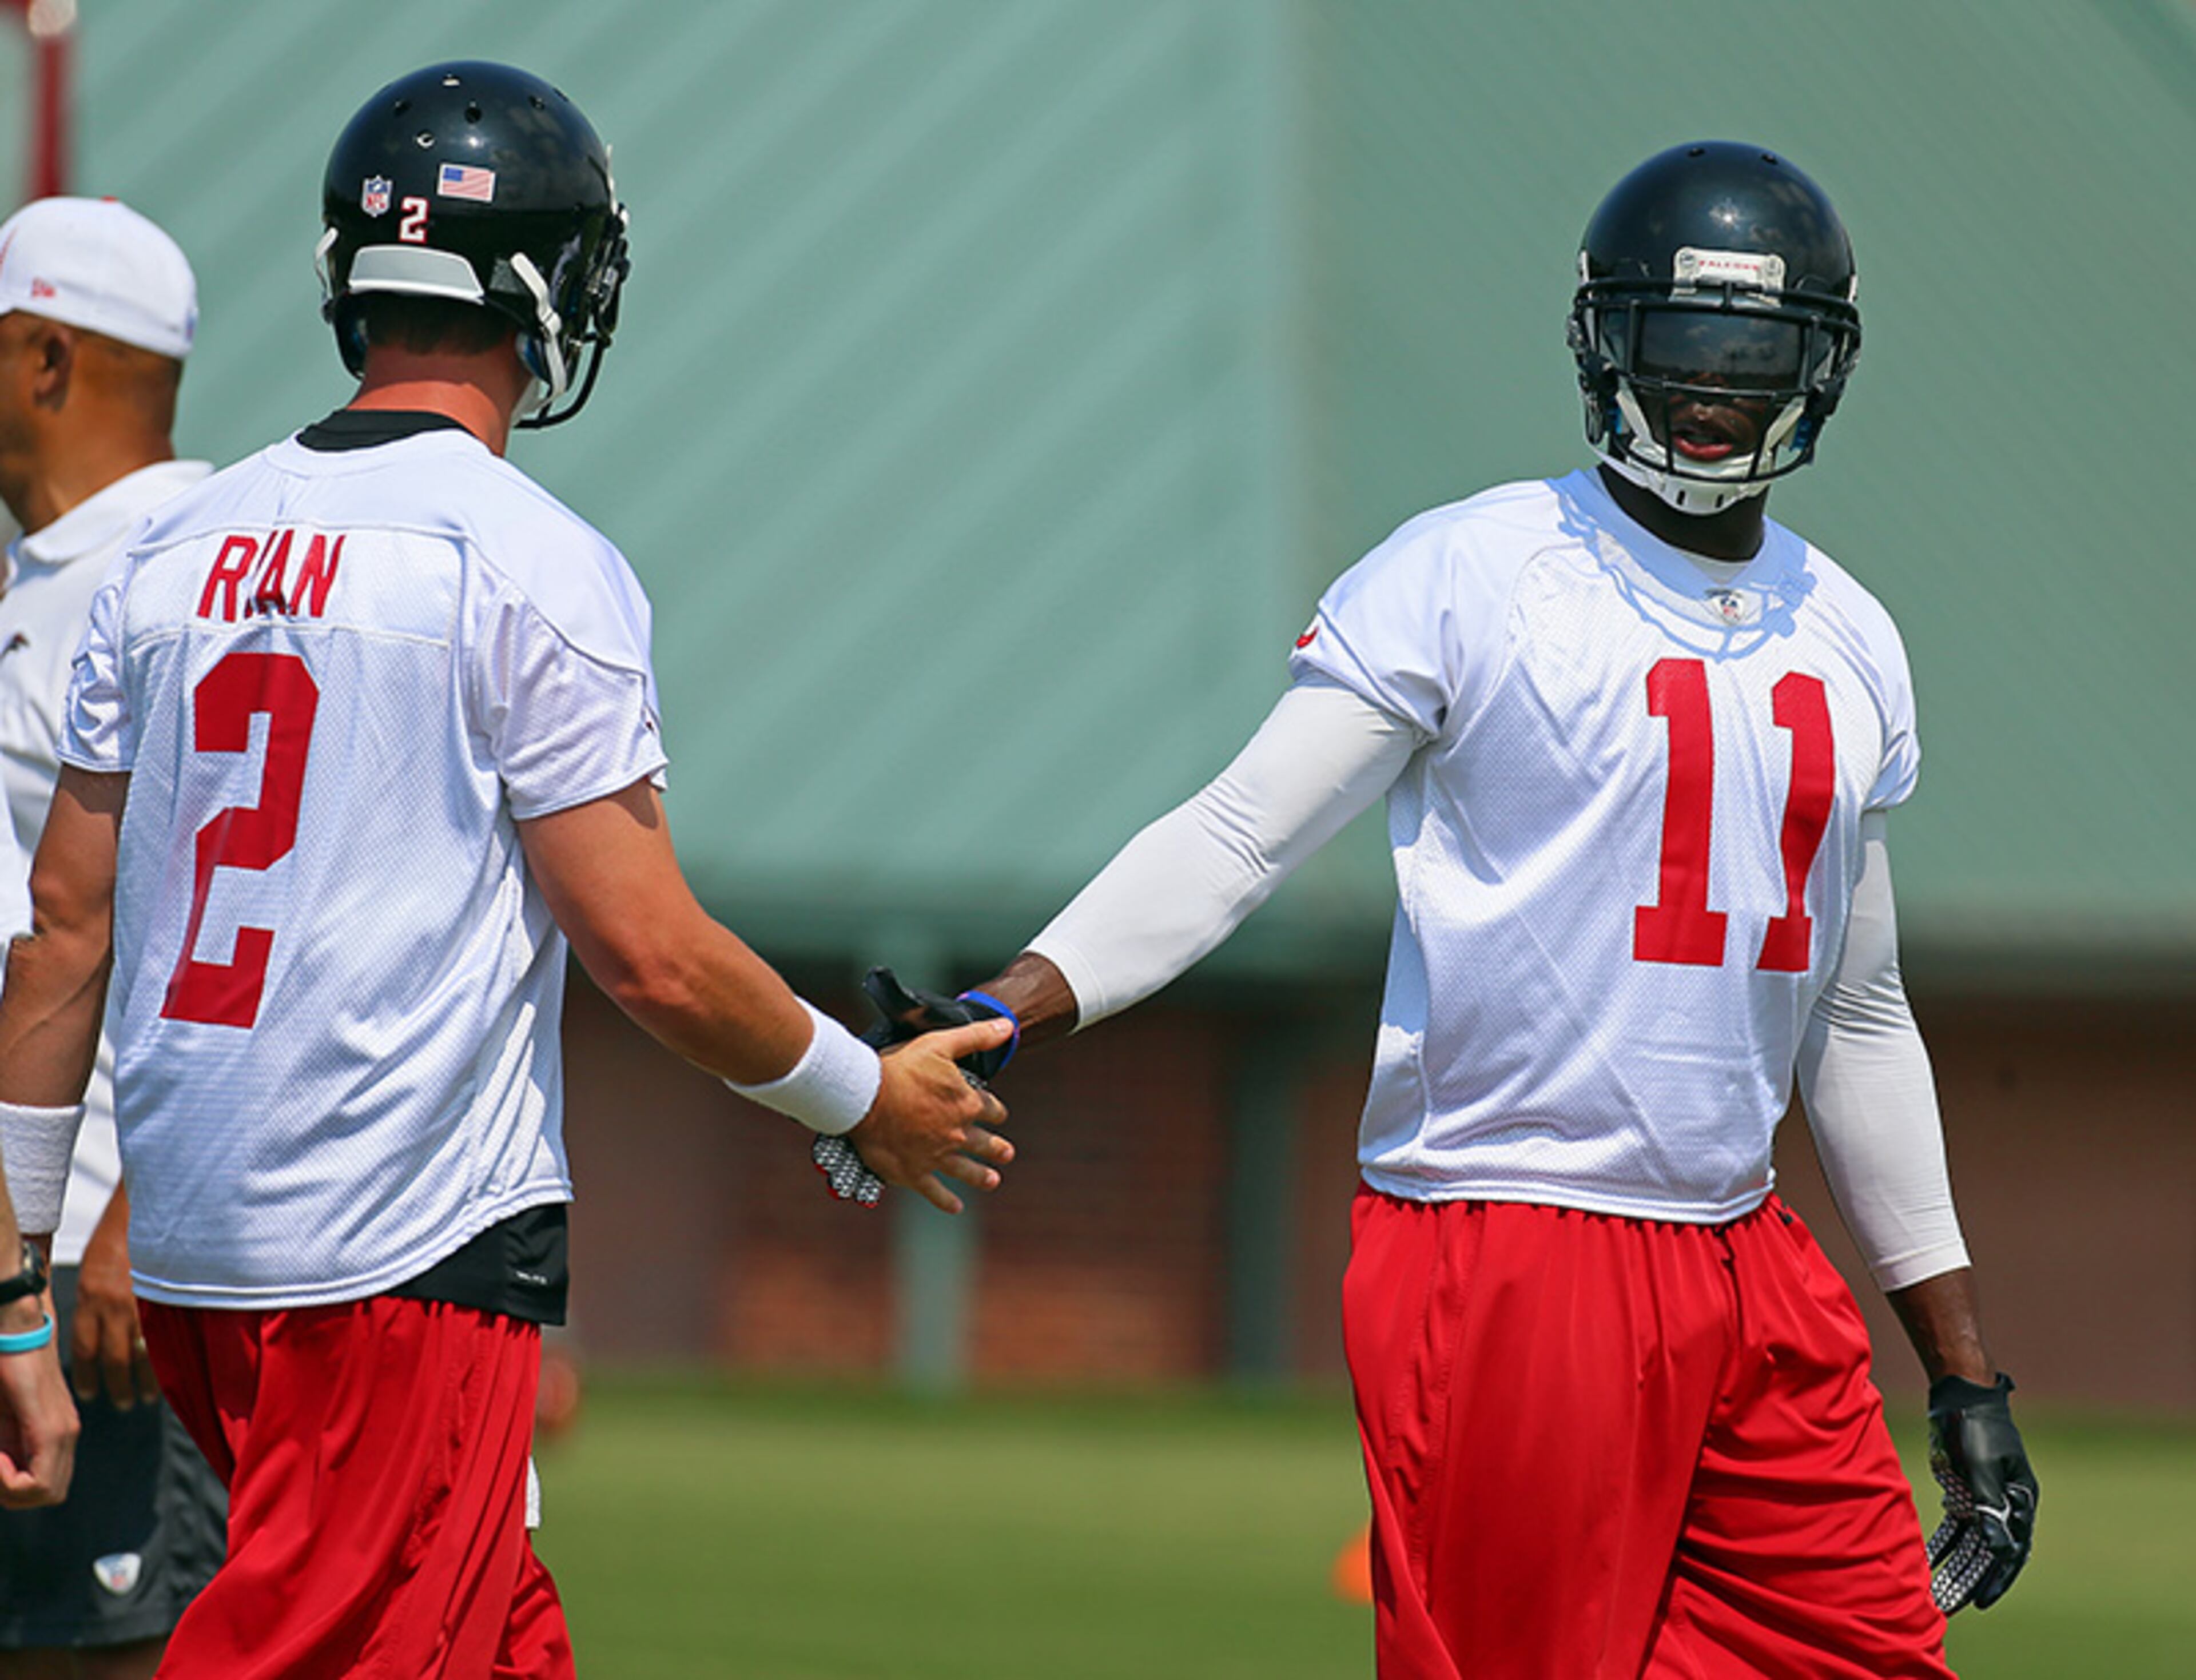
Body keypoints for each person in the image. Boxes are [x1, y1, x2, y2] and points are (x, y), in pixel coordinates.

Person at [865, 142, 2037, 1677]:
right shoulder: (1474, 570)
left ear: (1819, 369)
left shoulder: (1852, 629)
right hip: (1513, 1232)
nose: (1710, 391)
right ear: (1603, 342)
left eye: (1753, 355)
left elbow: (1860, 1016)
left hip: (1745, 1249)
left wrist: (1962, 1370)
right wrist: (1011, 1002)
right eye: (1679, 348)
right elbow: (1233, 835)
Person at [0, 60, 1012, 1680]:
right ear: (547, 283)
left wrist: (18, 1280)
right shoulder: (526, 558)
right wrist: (858, 1094)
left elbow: (63, 933)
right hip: (389, 1259)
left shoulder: (168, 555)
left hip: (195, 1256)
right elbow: (651, 955)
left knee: (495, 1638)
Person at [0, 193, 229, 1680]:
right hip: (24, 1278)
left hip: (103, 1292)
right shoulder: (44, 585)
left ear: (45, 360)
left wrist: (142, 1213)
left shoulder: (183, 586)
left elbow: (240, 915)